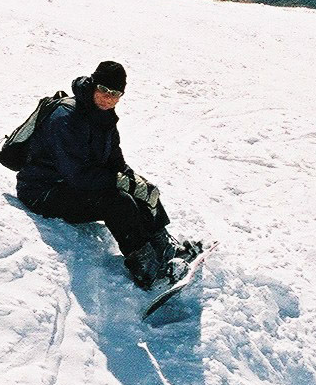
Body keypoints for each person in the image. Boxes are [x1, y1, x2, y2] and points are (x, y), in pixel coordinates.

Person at [14, 60, 201, 291]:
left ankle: (164, 248)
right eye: (103, 90)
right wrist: (121, 182)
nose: (108, 98)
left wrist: (137, 183)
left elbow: (115, 161)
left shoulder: (104, 115)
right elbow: (78, 176)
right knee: (117, 201)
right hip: (42, 190)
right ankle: (147, 269)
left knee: (140, 191)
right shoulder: (67, 117)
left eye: (115, 93)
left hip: (69, 185)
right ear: (93, 85)